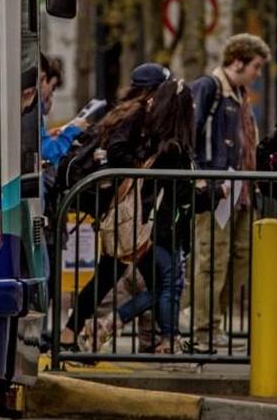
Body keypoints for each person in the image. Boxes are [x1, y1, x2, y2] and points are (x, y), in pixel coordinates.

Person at [81, 79, 206, 353]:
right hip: (162, 229)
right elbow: (182, 197)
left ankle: (113, 324)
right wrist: (212, 192)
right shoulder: (173, 149)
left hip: (150, 226)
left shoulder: (155, 143)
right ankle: (166, 341)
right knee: (169, 285)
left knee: (162, 287)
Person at [57, 62, 171, 349]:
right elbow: (119, 150)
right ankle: (113, 327)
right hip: (122, 212)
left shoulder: (127, 111)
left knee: (110, 276)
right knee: (162, 281)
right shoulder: (138, 114)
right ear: (154, 91)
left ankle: (71, 334)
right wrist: (143, 165)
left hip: (116, 210)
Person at [187, 34, 270, 352]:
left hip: (240, 189)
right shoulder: (210, 88)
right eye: (256, 67)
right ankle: (204, 324)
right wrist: (200, 179)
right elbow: (190, 132)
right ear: (238, 62)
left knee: (242, 254)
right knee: (212, 257)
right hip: (217, 187)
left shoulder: (239, 95)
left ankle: (207, 314)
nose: (257, 74)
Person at [39, 56, 89, 167]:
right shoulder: (34, 110)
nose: (51, 95)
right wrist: (73, 130)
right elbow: (51, 154)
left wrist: (47, 135)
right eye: (52, 88)